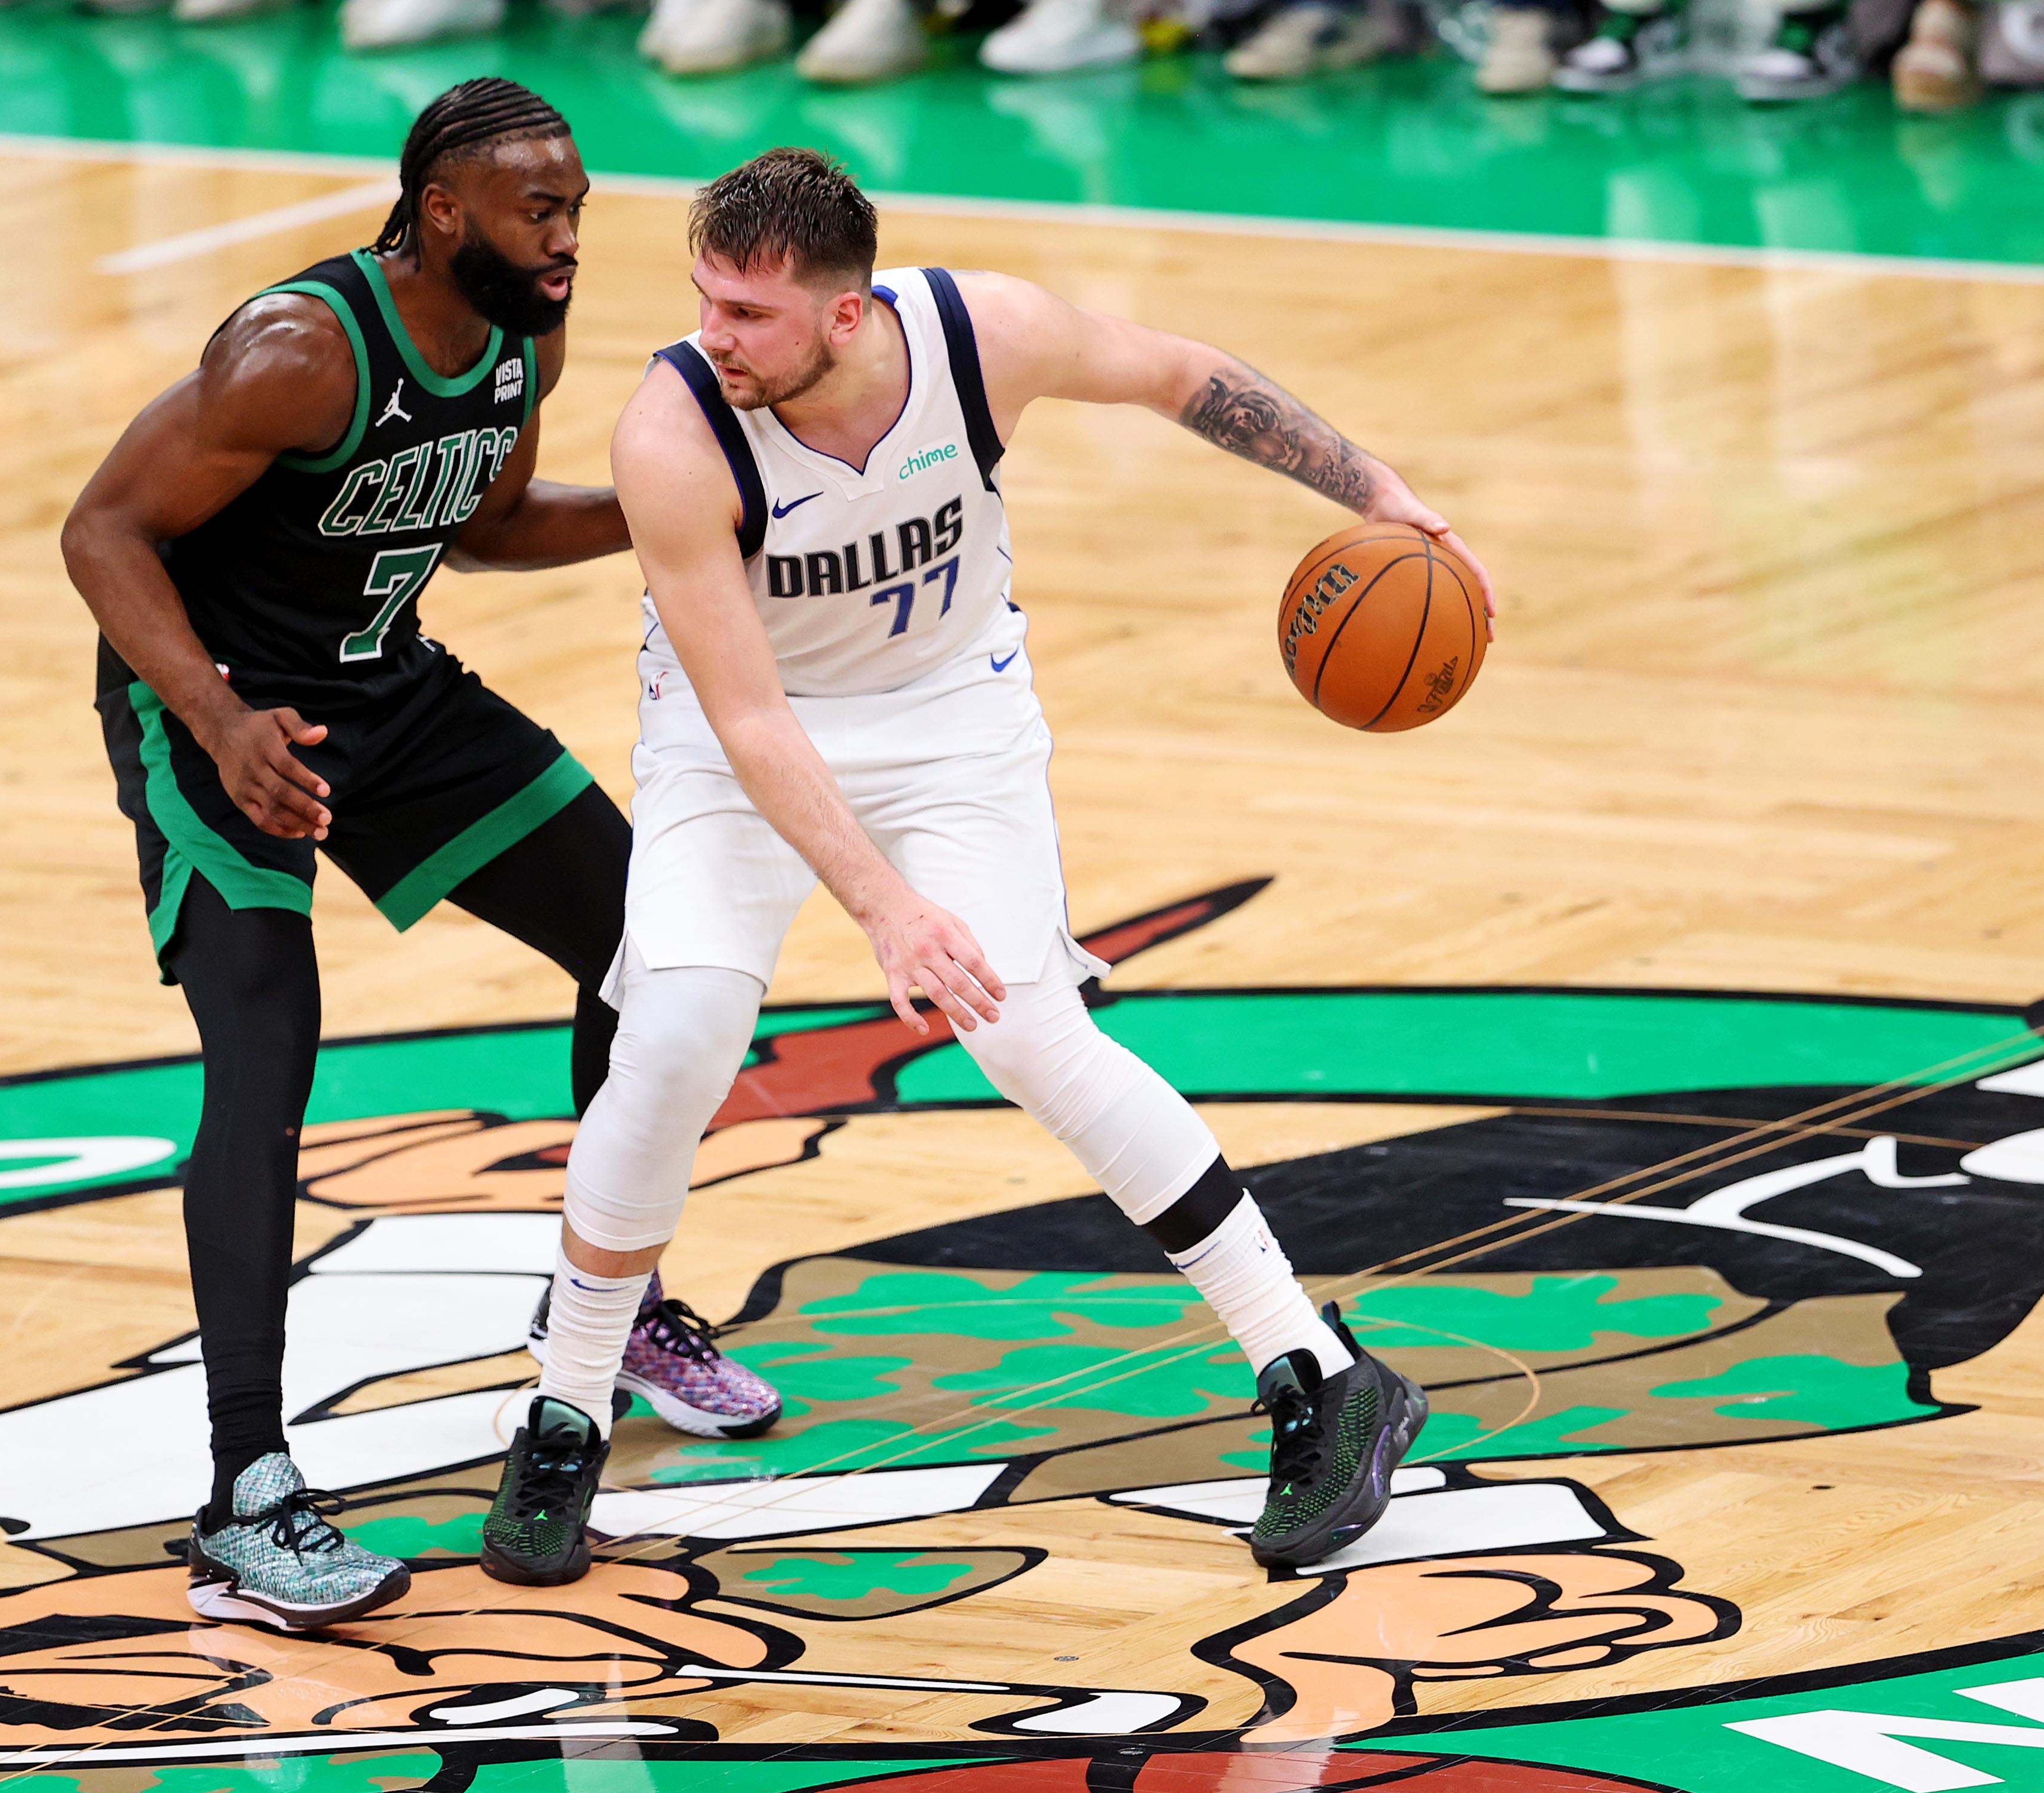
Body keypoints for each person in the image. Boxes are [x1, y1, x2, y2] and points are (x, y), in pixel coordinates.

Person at [482, 147, 1492, 1589]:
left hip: (953, 720)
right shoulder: (674, 433)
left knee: (1027, 1033)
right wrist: (885, 908)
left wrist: (1376, 488)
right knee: (680, 1035)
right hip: (735, 745)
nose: (714, 333)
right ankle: (565, 1410)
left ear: (846, 315)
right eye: (705, 298)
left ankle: (1322, 1376)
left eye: (748, 314)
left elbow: (1183, 377)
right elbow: (752, 718)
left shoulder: (980, 335)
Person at [59, 79, 774, 1634]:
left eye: (578, 206)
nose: (570, 234)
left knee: (651, 947)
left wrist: (678, 508)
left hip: (386, 689)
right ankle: (244, 1488)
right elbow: (103, 533)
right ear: (443, 209)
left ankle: (611, 1303)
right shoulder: (298, 352)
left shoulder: (522, 331)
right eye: (541, 209)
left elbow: (484, 522)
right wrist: (223, 717)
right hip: (217, 711)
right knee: (265, 1059)